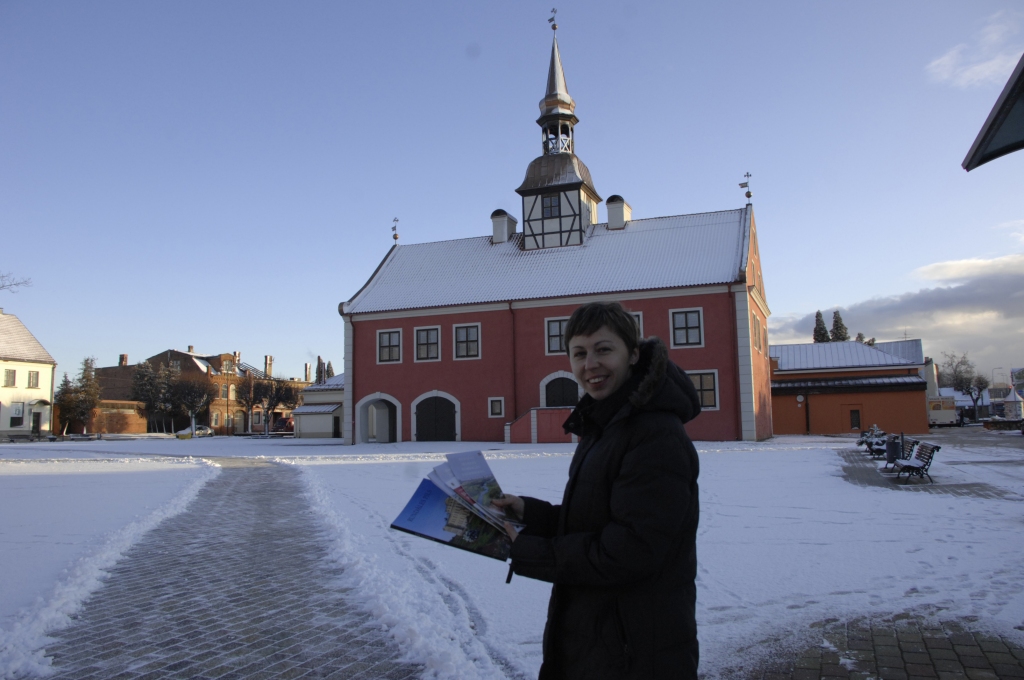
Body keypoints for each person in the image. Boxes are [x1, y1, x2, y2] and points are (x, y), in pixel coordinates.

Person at [493, 301, 702, 680]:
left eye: (604, 350)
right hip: (599, 637)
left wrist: (530, 551)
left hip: (636, 651)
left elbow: (629, 550)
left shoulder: (654, 435)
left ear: (633, 354)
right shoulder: (606, 424)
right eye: (579, 353)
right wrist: (530, 512)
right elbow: (595, 519)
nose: (590, 364)